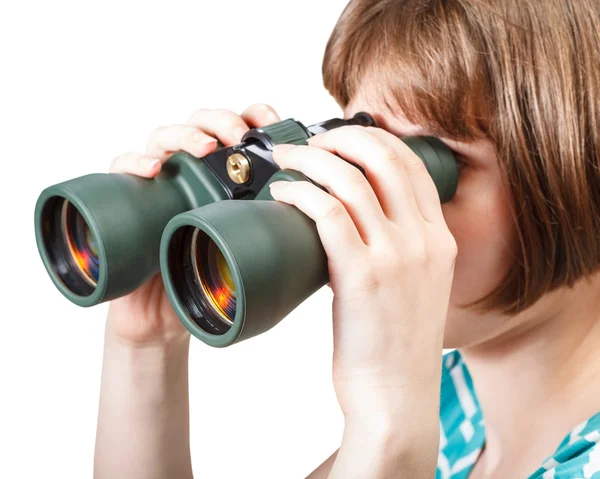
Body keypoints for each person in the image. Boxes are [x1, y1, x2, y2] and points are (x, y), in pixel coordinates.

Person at [93, 0, 600, 478]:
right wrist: (146, 346)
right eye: (359, 137)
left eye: (434, 164)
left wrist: (389, 422)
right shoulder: (449, 408)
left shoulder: (414, 417)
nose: (366, 192)